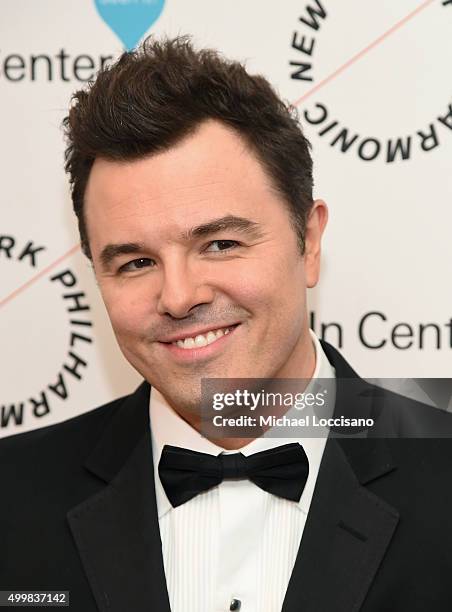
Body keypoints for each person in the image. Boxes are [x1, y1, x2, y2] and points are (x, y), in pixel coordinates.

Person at [1, 35, 452, 612]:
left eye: (220, 243)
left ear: (308, 242)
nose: (179, 296)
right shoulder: (10, 499)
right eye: (136, 262)